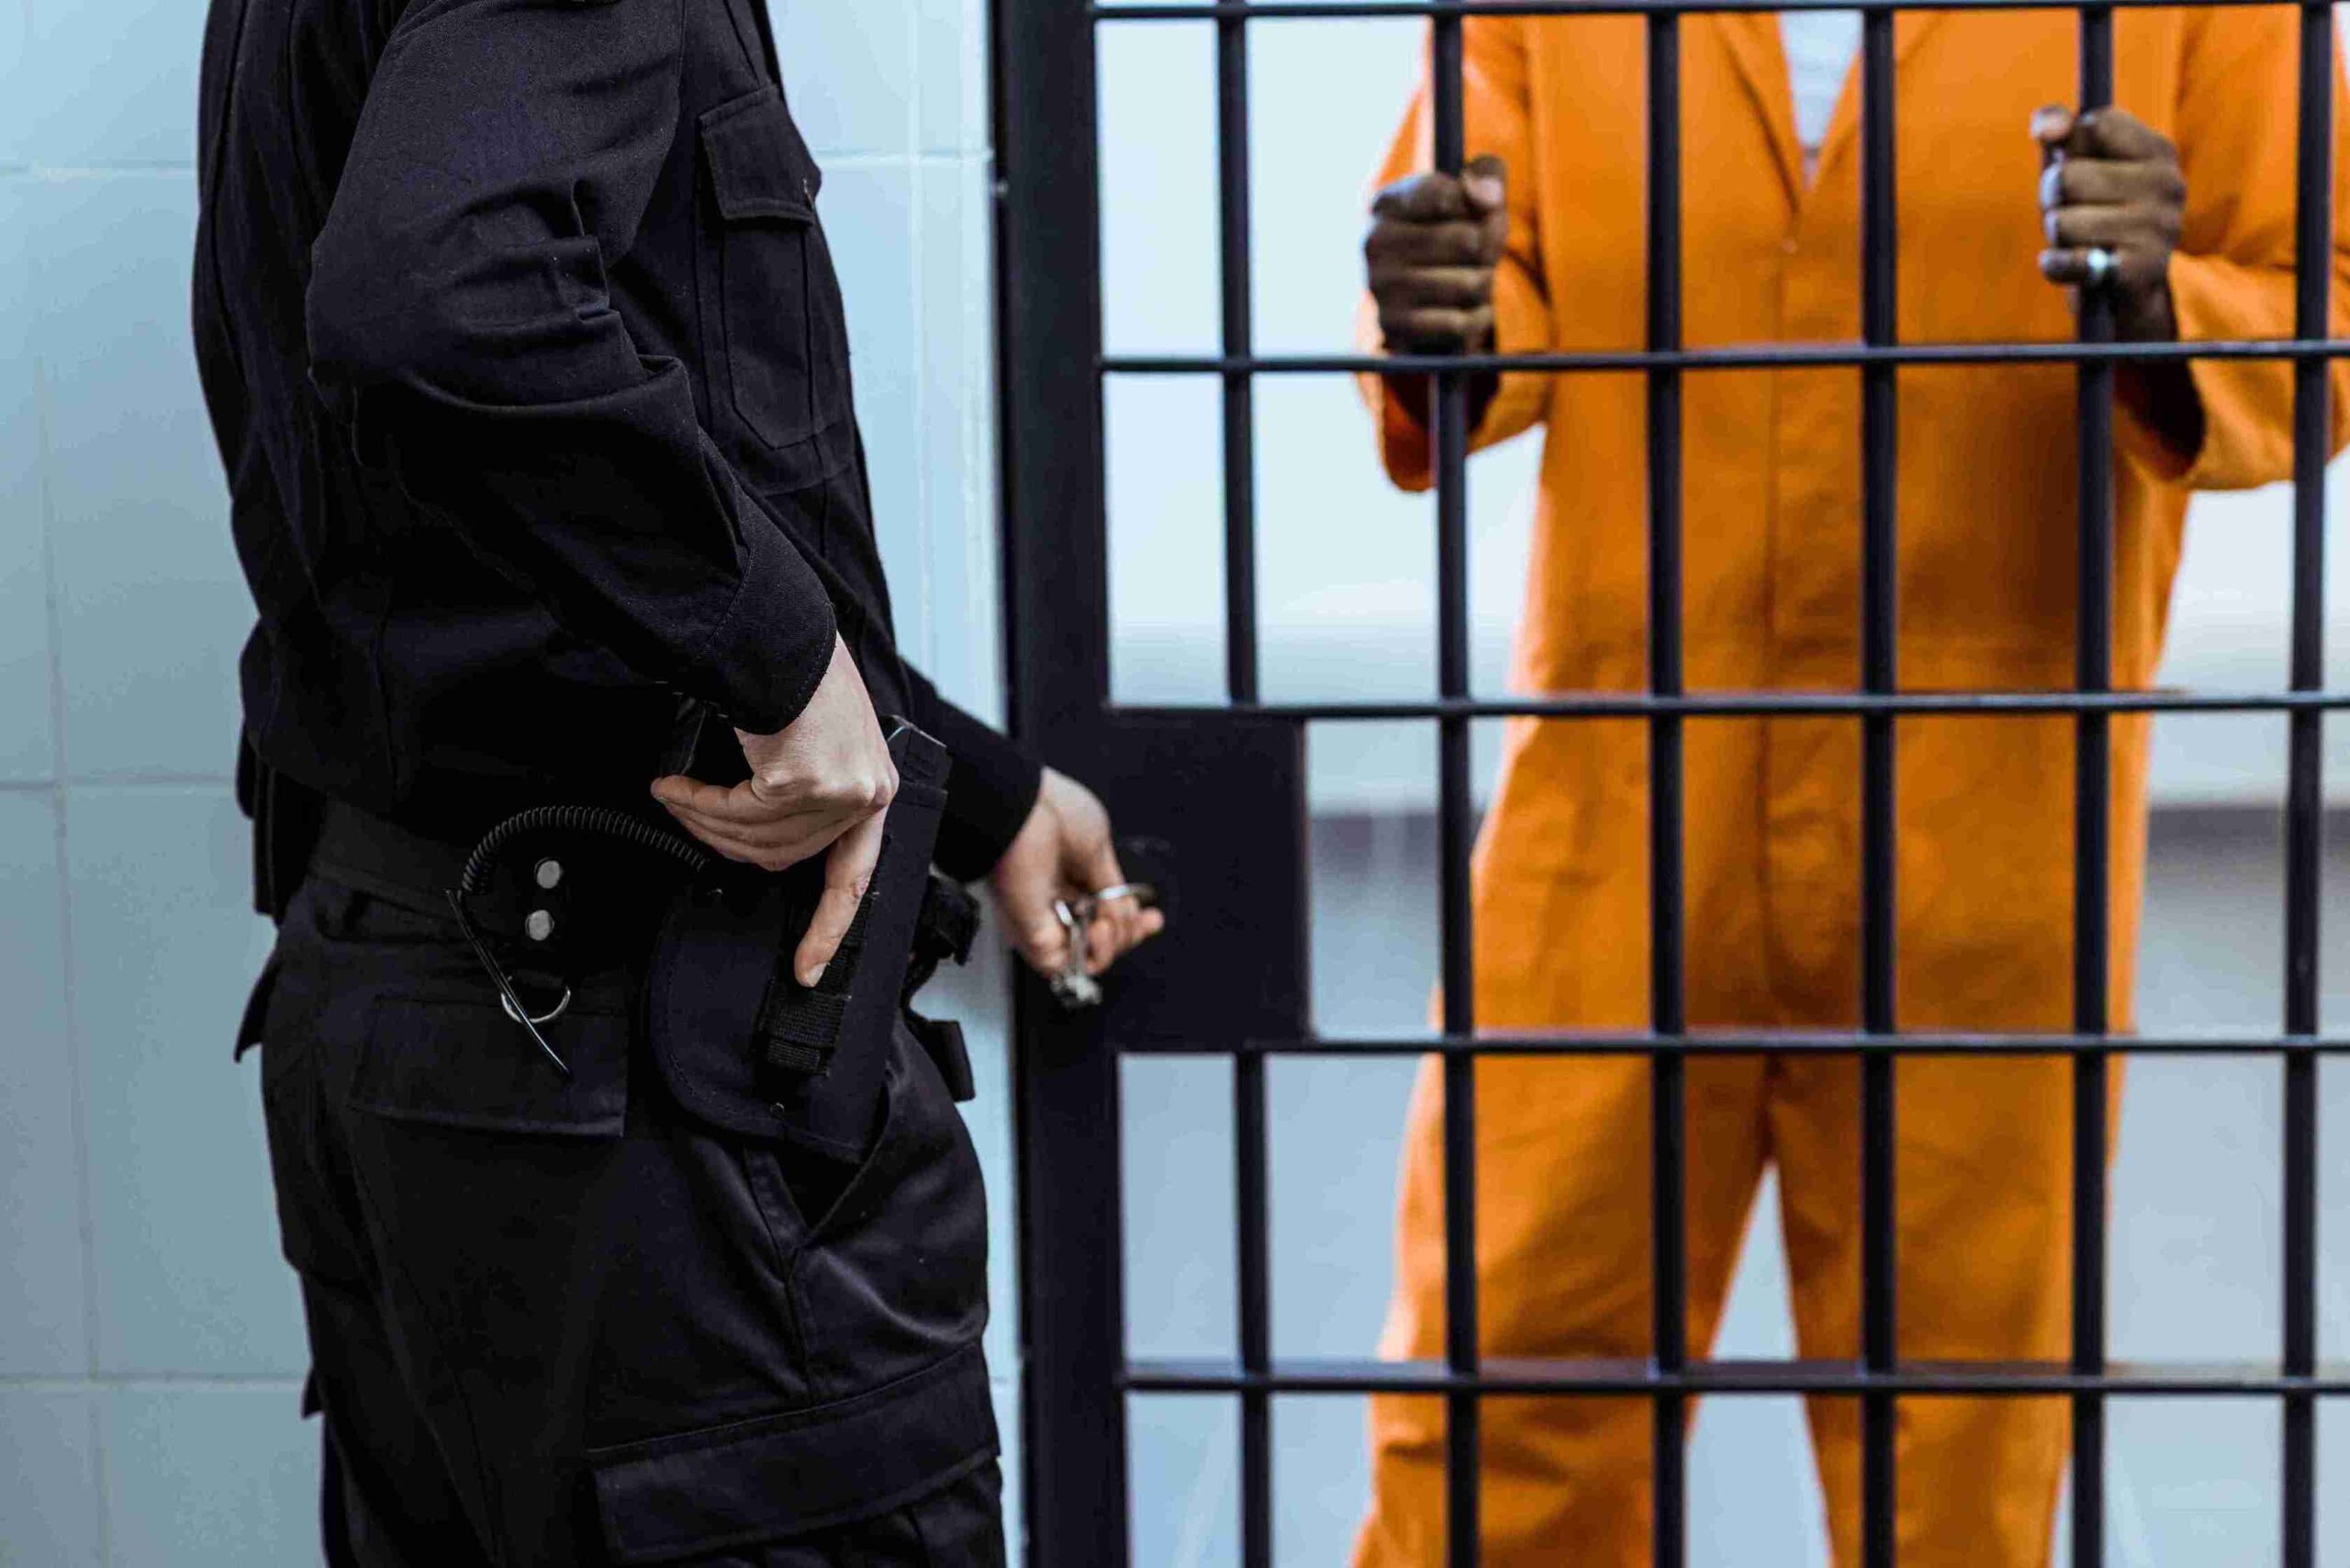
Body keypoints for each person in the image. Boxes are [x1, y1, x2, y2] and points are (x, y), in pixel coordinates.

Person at [1354, 8, 2349, 1563]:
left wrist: (2162, 297)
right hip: (1621, 798)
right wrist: (1436, 317)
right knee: (1502, 1417)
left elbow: (2323, 301)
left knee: (1957, 1460)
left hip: (1994, 811)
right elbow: (1472, 268)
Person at [192, 0, 1159, 1561]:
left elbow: (520, 535)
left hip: (416, 1010)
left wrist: (965, 789)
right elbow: (437, 299)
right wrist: (779, 660)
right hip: (644, 1091)